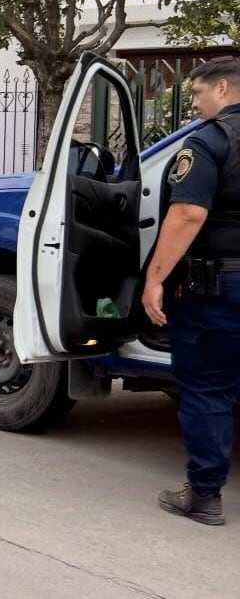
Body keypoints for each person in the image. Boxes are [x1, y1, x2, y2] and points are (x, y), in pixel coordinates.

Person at [142, 57, 240, 526]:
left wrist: (155, 278)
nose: (195, 104)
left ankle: (204, 496)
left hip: (222, 285)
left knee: (208, 388)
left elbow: (187, 215)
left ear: (222, 89)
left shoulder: (210, 141)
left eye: (198, 94)